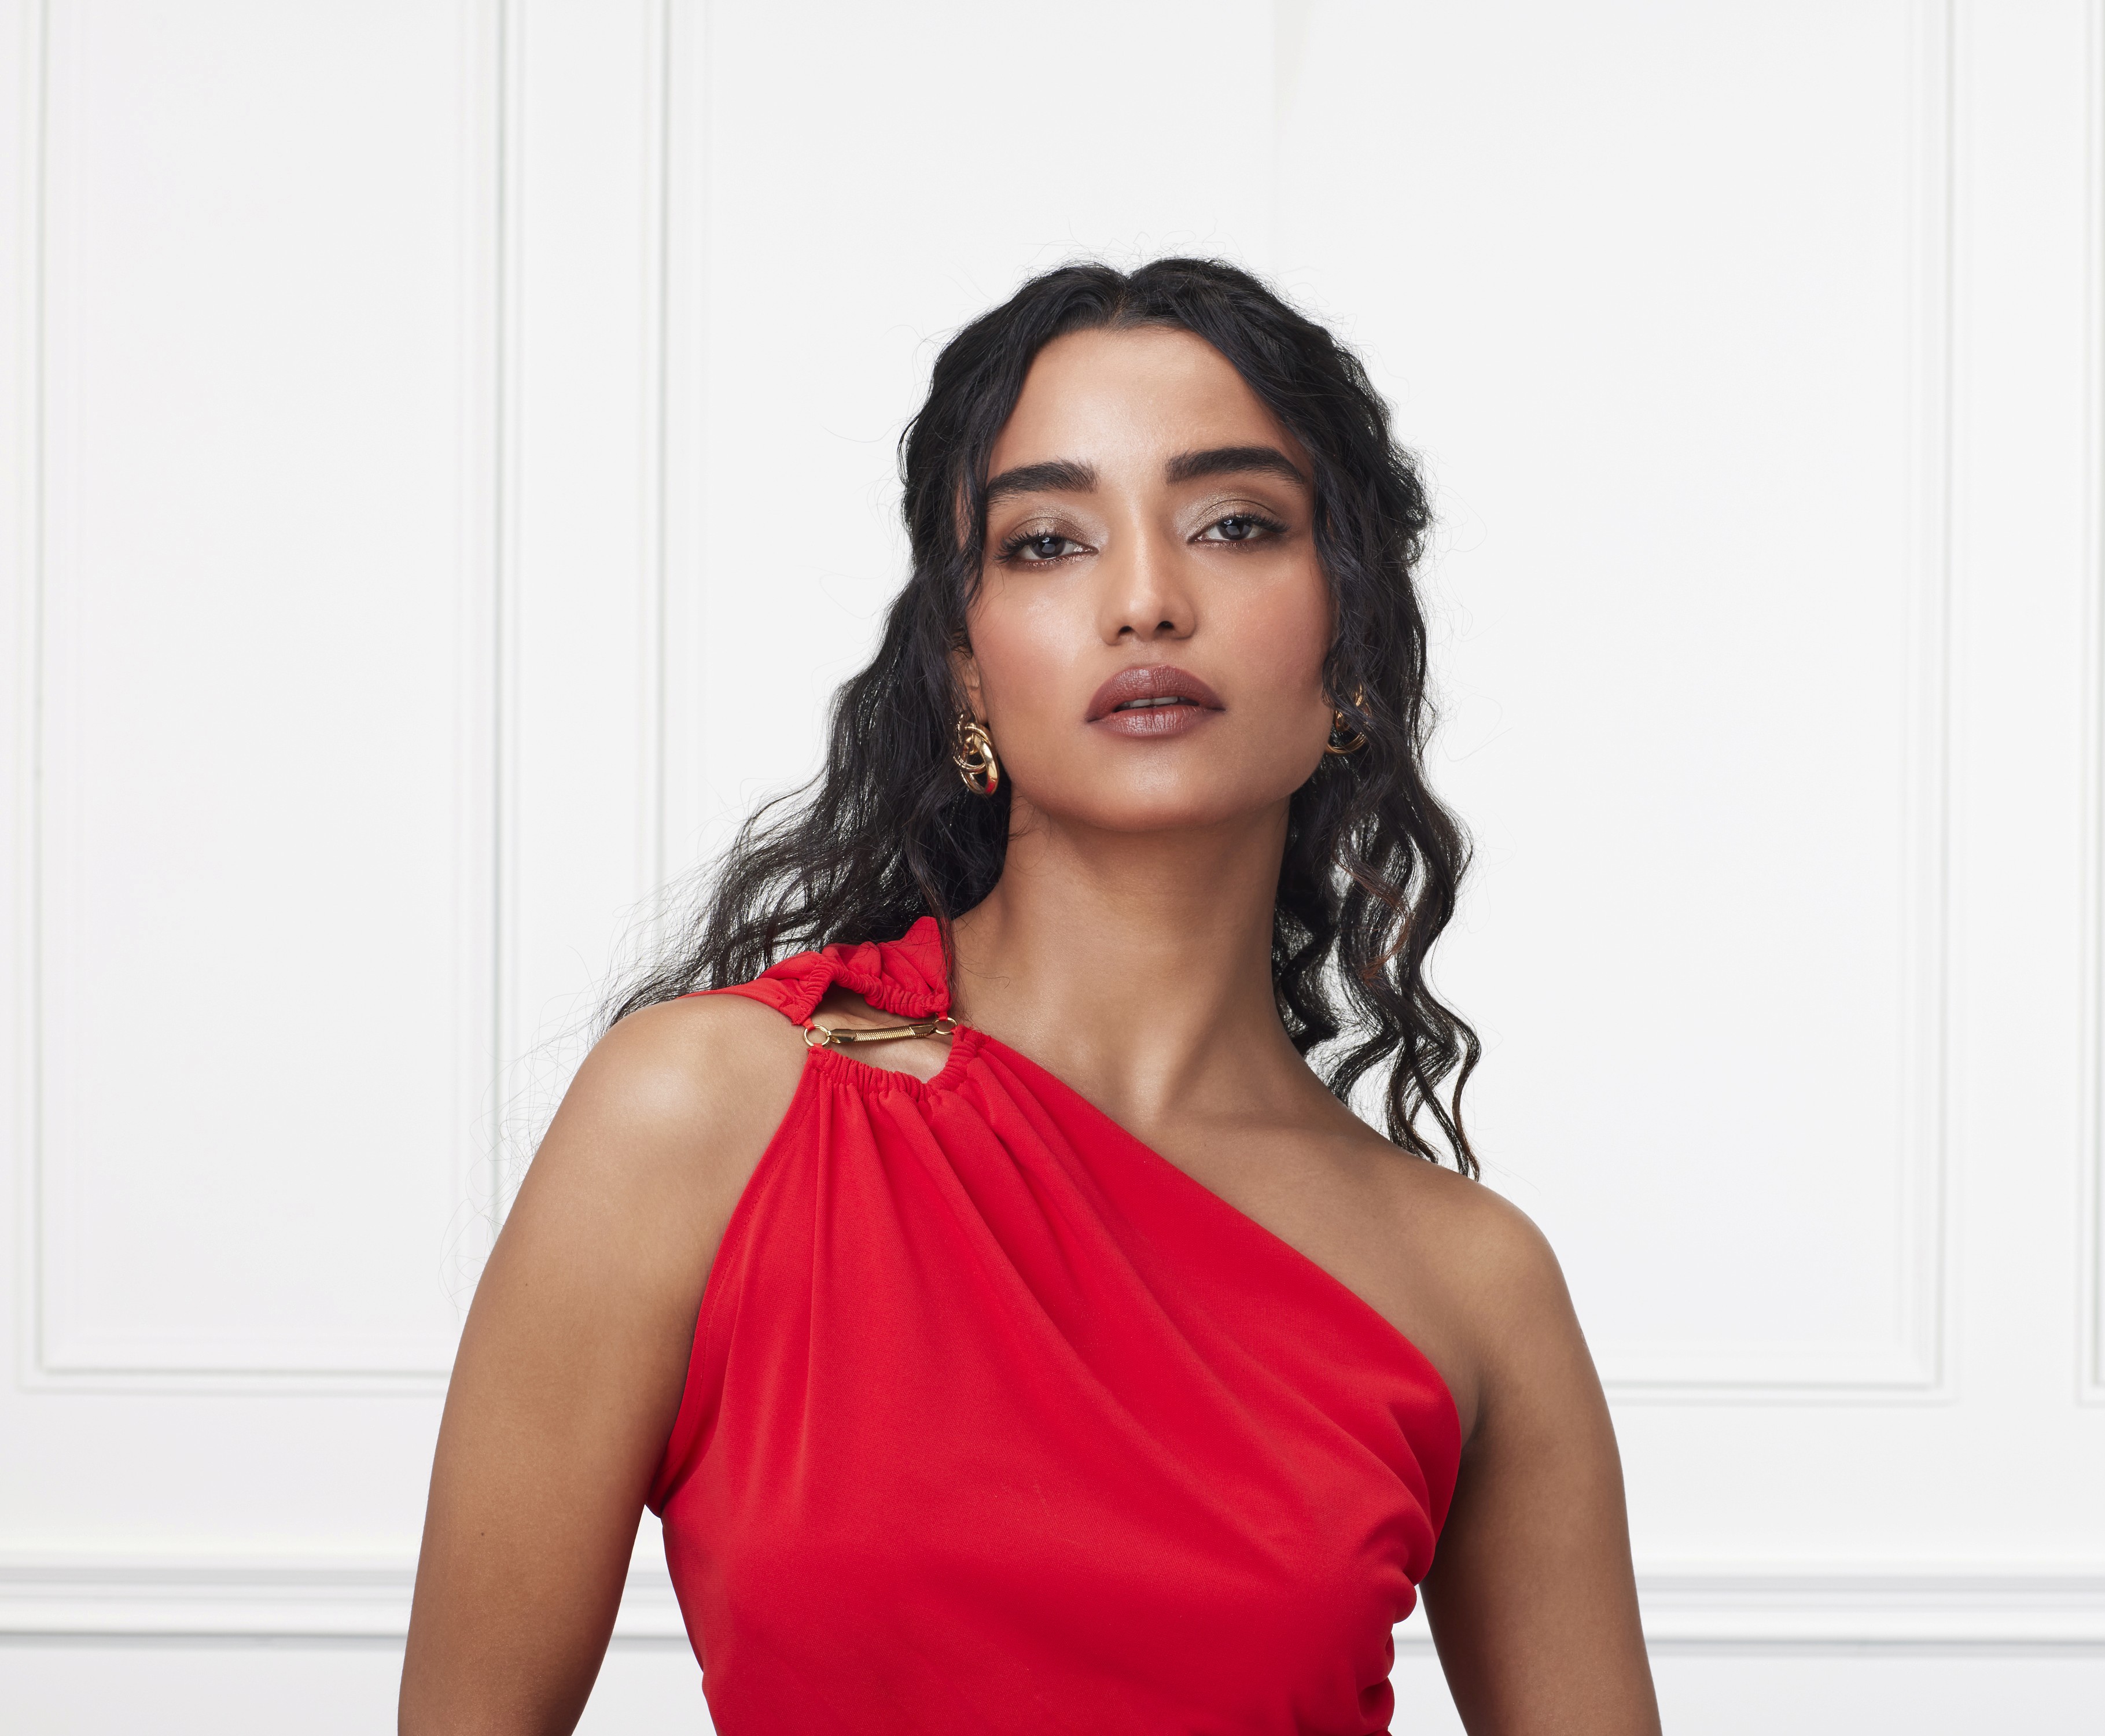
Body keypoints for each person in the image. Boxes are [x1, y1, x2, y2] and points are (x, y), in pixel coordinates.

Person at [398, 258, 1660, 1734]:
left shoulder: (1474, 1285)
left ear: (1355, 655)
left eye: (1236, 525)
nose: (1145, 599)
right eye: (1050, 542)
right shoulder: (705, 1116)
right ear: (965, 670)